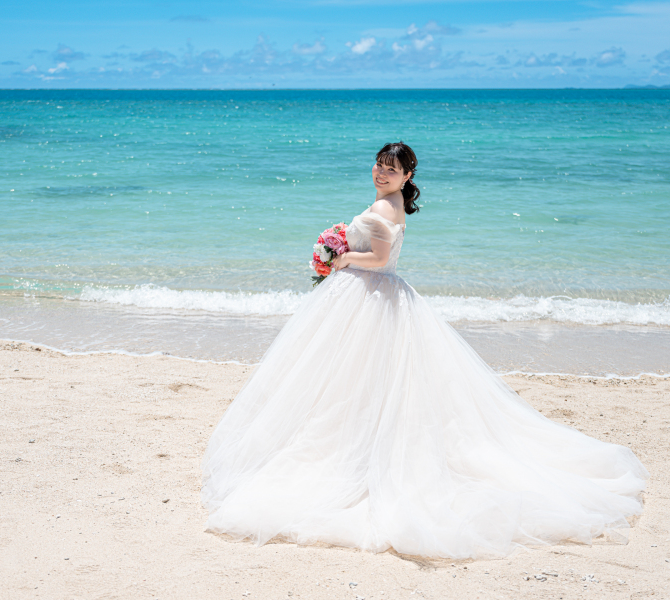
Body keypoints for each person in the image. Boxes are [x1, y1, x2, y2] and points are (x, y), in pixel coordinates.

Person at [200, 141, 648, 559]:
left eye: (391, 169)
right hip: (383, 297)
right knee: (368, 383)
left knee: (345, 381)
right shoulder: (394, 204)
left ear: (406, 173)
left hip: (368, 293)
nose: (381, 173)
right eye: (379, 165)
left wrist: (341, 258)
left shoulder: (382, 205)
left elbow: (376, 259)